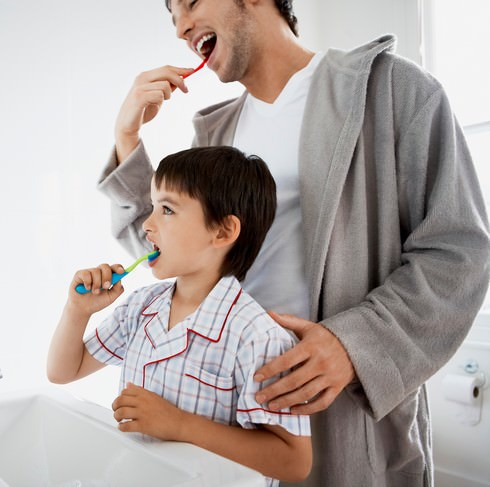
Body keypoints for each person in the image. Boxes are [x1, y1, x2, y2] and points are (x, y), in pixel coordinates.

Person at [95, 0, 490, 486]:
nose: (180, 27)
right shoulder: (212, 136)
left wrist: (354, 345)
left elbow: (458, 252)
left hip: (343, 420)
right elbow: (168, 254)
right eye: (171, 15)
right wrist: (126, 136)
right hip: (228, 428)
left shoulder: (395, 91)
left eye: (190, 2)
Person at [48, 146, 312, 485]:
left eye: (167, 210)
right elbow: (62, 371)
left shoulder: (257, 337)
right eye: (153, 207)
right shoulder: (141, 307)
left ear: (222, 232)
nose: (147, 224)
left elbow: (294, 461)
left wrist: (179, 424)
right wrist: (76, 311)